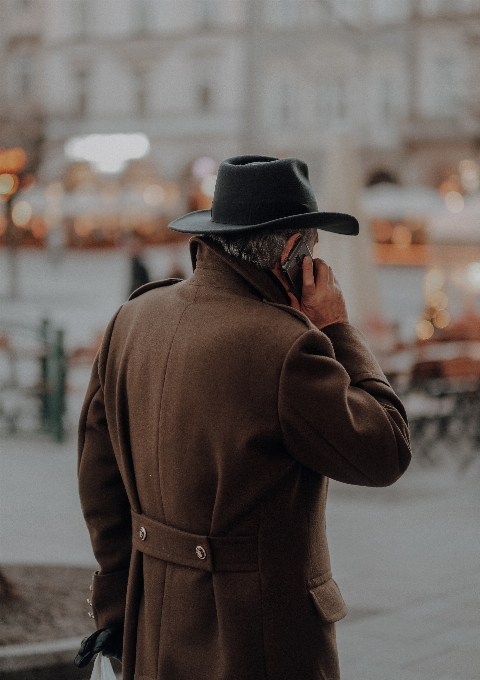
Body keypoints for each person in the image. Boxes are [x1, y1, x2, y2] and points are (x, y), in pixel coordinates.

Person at [76, 156, 411, 680]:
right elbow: (387, 451)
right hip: (260, 639)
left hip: (153, 625)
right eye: (313, 248)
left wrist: (118, 609)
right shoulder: (288, 346)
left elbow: (100, 481)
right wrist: (339, 329)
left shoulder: (132, 318)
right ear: (288, 251)